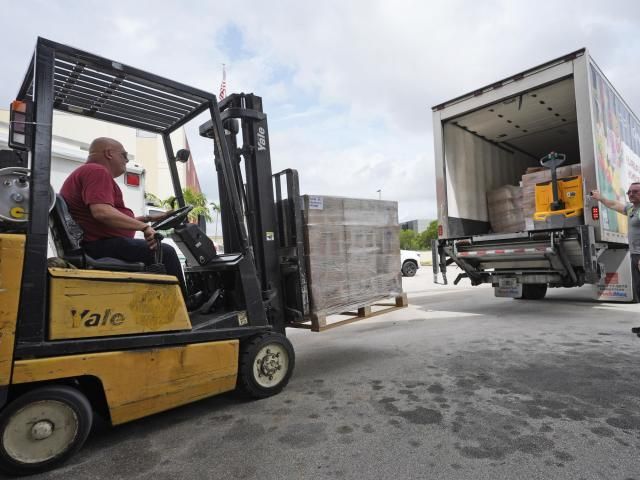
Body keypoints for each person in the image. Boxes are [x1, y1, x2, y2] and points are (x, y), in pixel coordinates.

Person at [60, 137, 192, 305]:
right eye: (124, 155)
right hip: (98, 247)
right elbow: (102, 212)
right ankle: (184, 306)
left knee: (159, 251)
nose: (126, 160)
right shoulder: (97, 171)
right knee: (166, 252)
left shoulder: (88, 171)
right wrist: (144, 227)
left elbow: (105, 218)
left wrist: (150, 219)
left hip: (96, 244)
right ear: (109, 153)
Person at [591, 183, 640, 302]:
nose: (631, 194)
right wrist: (600, 198)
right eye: (629, 192)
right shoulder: (631, 209)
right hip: (635, 254)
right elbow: (614, 204)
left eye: (635, 191)